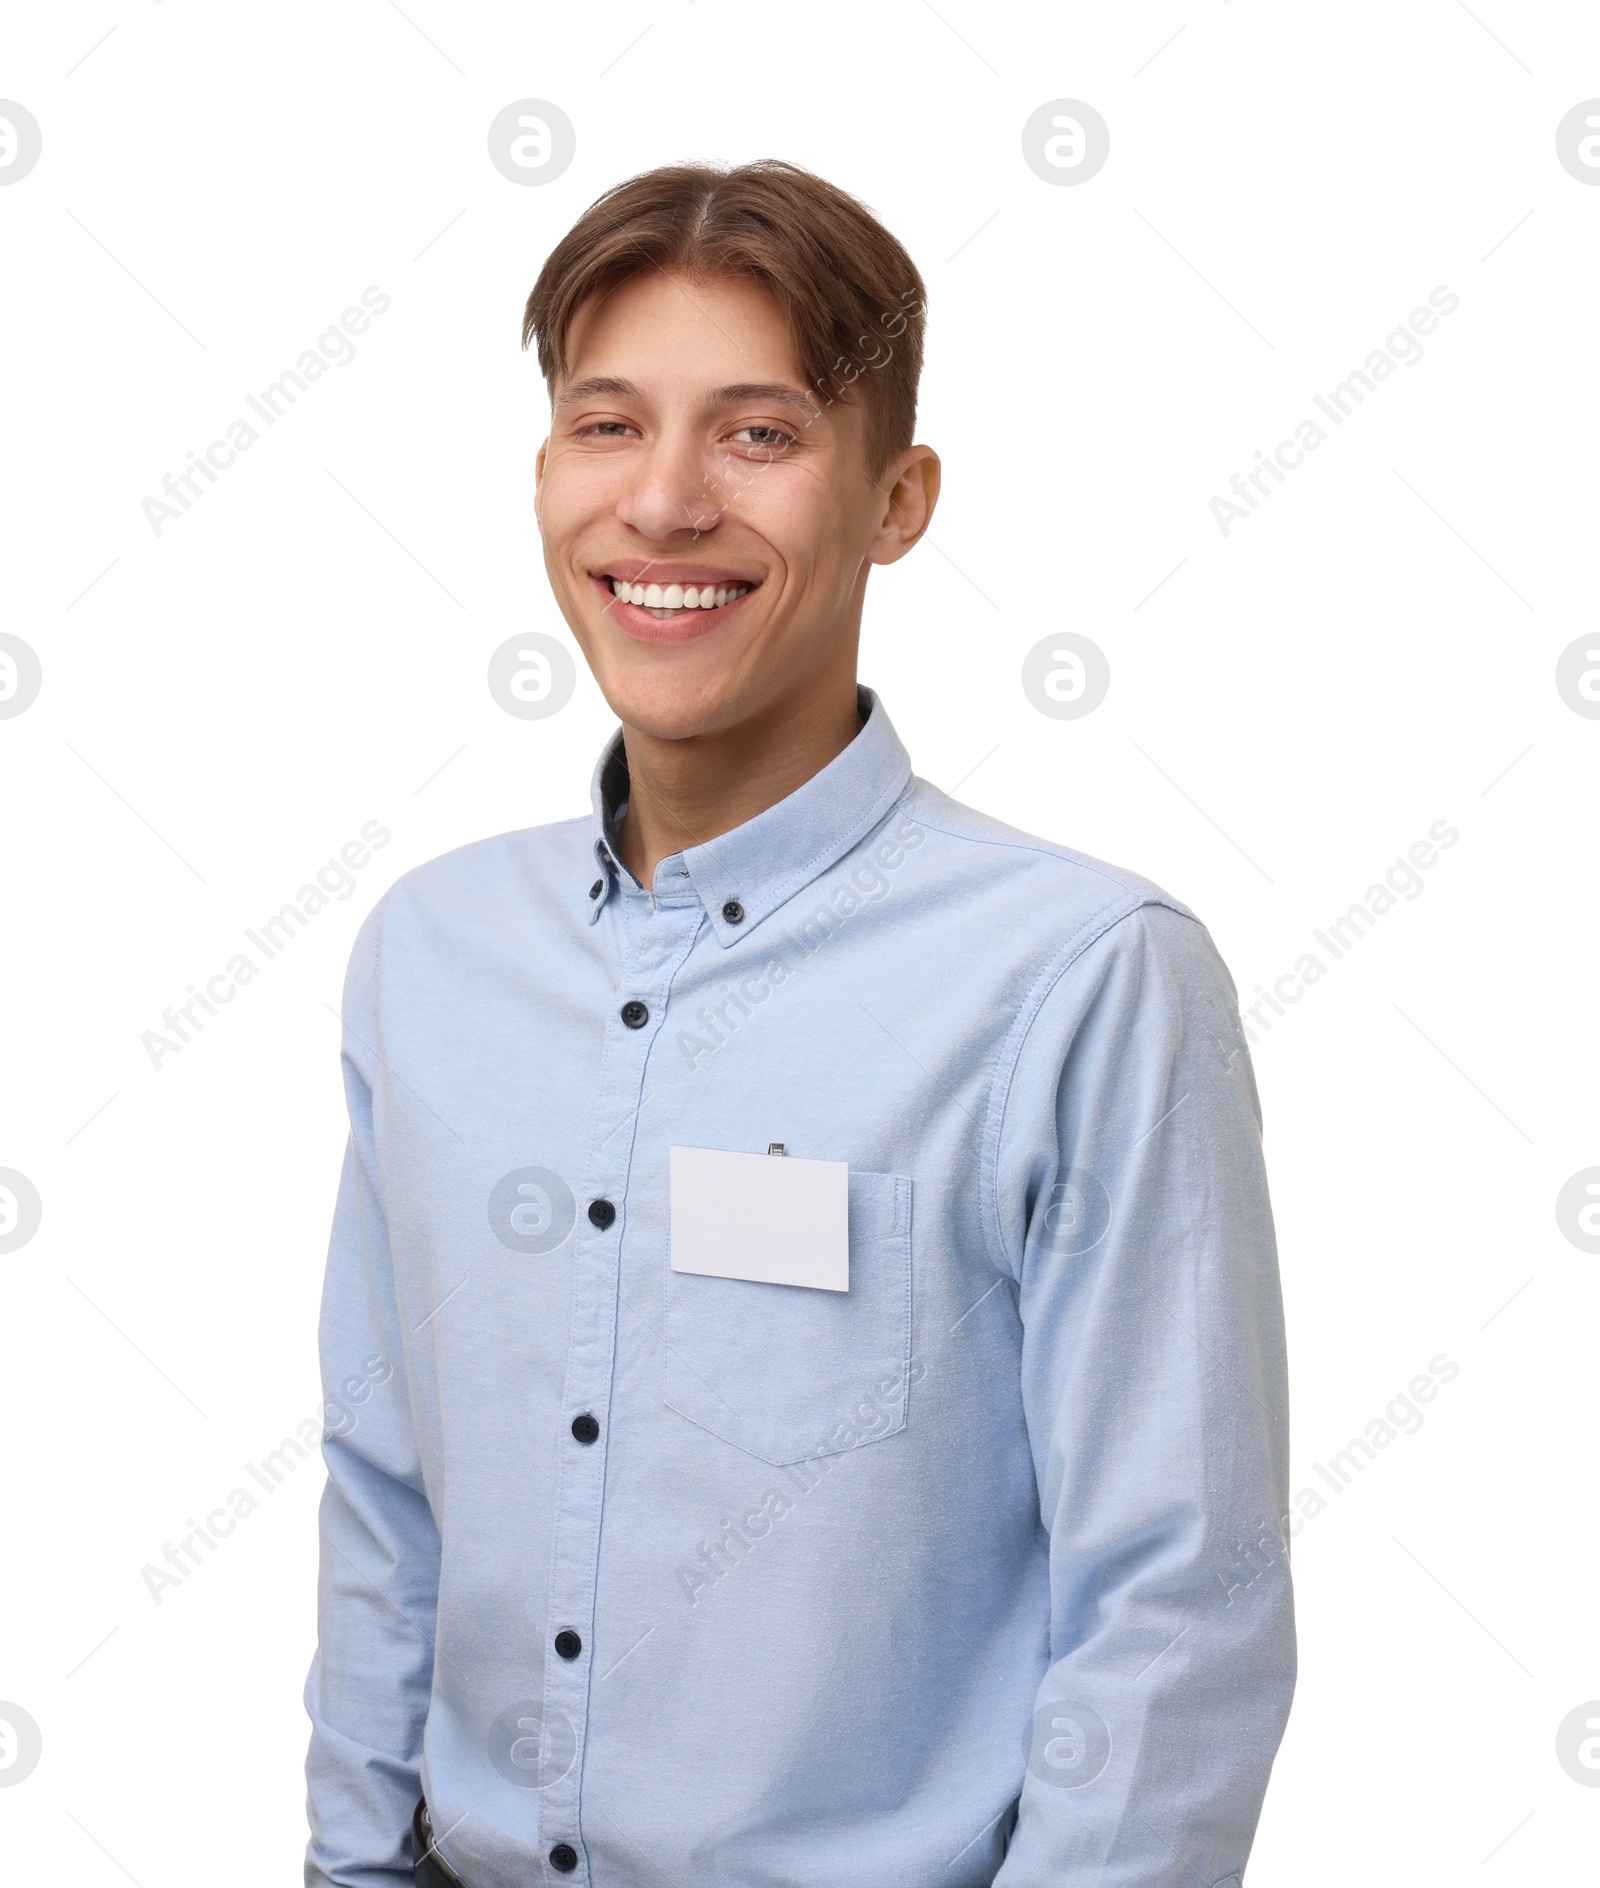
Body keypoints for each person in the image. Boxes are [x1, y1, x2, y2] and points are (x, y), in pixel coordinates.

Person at [303, 159, 1294, 1888]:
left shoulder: (1082, 978)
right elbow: (388, 1499)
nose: (665, 504)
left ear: (897, 497)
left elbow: (1178, 1613)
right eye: (607, 426)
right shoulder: (430, 955)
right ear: (546, 472)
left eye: (756, 436)